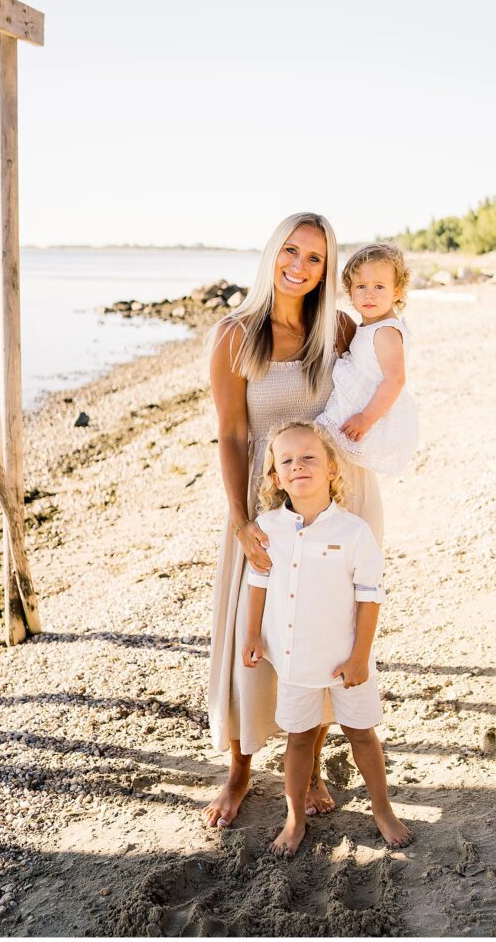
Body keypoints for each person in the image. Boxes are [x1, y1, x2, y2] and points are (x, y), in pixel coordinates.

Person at [204, 213, 384, 830]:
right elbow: (231, 433)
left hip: (335, 495)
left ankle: (303, 769)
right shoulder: (235, 335)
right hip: (264, 497)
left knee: (325, 629)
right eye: (291, 251)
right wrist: (239, 518)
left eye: (315, 257)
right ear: (271, 253)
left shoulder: (336, 329)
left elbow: (383, 374)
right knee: (247, 633)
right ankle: (240, 768)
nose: (300, 267)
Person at [242, 420, 412, 856]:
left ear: (332, 469)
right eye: (288, 461)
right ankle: (295, 817)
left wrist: (360, 658)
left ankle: (382, 808)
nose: (299, 466)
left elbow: (370, 598)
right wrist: (253, 636)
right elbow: (258, 582)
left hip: (346, 660)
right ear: (277, 478)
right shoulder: (267, 527)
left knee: (361, 734)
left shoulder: (353, 532)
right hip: (296, 661)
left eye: (310, 457)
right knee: (299, 738)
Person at [317, 242, 418, 475]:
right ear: (350, 292)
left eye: (379, 286)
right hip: (360, 401)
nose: (369, 294)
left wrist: (366, 418)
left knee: (322, 444)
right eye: (361, 286)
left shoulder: (385, 332)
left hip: (368, 409)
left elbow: (395, 380)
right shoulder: (373, 326)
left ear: (397, 291)